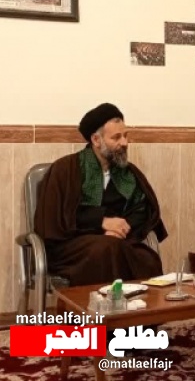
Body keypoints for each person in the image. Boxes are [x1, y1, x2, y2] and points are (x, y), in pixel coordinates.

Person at [34, 103, 168, 286]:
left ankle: (138, 305)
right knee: (106, 249)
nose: (124, 143)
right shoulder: (66, 169)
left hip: (117, 242)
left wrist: (122, 227)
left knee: (147, 258)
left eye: (126, 136)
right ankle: (98, 305)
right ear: (96, 140)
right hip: (71, 247)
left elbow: (144, 210)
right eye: (116, 137)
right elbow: (57, 218)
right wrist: (102, 222)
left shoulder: (128, 173)